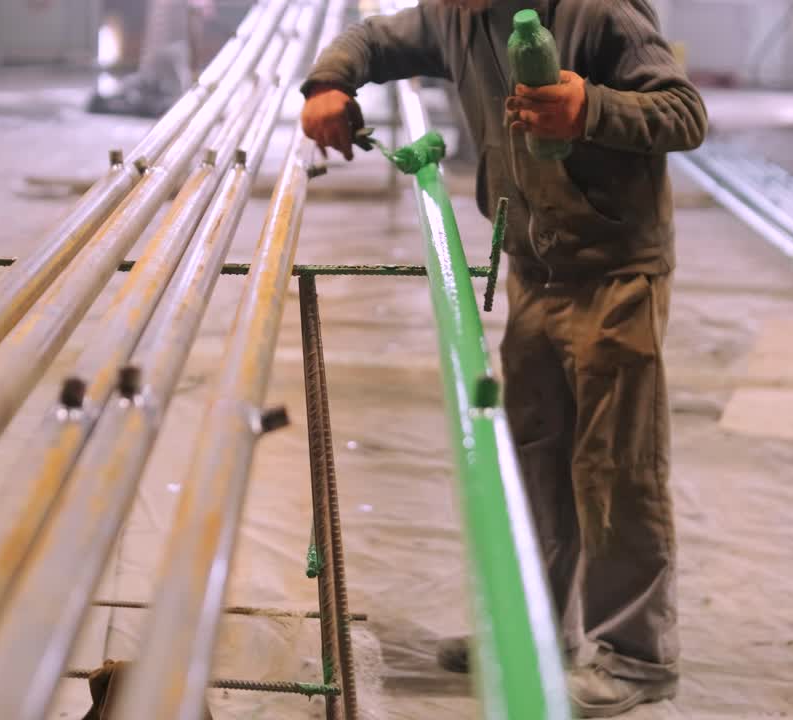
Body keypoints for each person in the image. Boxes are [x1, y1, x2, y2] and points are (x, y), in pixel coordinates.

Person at [299, 1, 706, 716]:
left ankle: (638, 656)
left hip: (616, 271)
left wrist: (591, 109)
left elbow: (684, 112)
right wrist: (330, 83)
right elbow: (373, 39)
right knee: (532, 458)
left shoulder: (598, 10)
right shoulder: (457, 16)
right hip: (534, 265)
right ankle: (532, 633)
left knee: (616, 465)